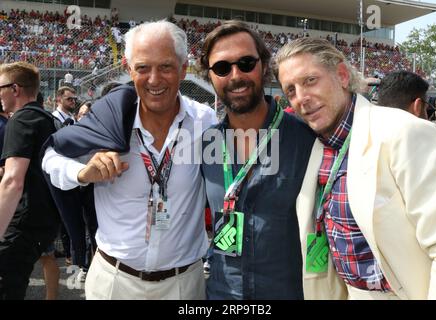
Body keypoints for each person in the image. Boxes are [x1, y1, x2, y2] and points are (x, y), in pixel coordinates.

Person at [42, 20, 217, 300]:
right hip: (114, 281)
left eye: (166, 67)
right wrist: (82, 173)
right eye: (143, 68)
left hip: (183, 284)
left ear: (184, 69)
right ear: (128, 69)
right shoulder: (107, 121)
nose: (154, 79)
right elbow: (50, 157)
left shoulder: (204, 120)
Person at [274, 38, 436, 300]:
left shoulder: (405, 132)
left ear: (342, 76)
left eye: (310, 80)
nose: (301, 98)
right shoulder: (317, 146)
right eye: (291, 90)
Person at [198, 20, 316, 299]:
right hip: (221, 294)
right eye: (222, 68)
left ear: (264, 65)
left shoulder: (309, 140)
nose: (236, 75)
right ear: (210, 76)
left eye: (246, 63)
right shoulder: (204, 145)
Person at [0, 62, 60, 299]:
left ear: (14, 89)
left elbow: (13, 181)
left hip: (23, 224)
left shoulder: (22, 119)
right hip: (43, 223)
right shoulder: (47, 119)